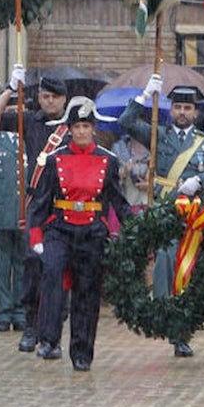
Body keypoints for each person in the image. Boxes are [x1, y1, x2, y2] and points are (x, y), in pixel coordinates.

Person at [118, 80, 204, 357]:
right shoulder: (158, 136)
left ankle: (182, 331)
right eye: (177, 107)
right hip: (166, 212)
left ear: (196, 113)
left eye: (188, 108)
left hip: (196, 217)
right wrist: (145, 94)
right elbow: (126, 121)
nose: (182, 112)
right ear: (170, 110)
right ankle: (169, 319)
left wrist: (200, 179)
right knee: (165, 264)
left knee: (187, 271)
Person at [27, 97, 131, 372]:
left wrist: (136, 230)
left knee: (88, 292)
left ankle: (83, 351)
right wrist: (36, 236)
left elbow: (118, 201)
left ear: (93, 129)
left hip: (92, 232)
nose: (82, 131)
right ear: (69, 129)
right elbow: (40, 201)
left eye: (86, 126)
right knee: (51, 278)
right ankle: (48, 338)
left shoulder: (108, 161)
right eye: (77, 126)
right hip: (60, 228)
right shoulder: (54, 159)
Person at [0, 66, 69, 353]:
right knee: (32, 269)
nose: (49, 102)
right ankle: (31, 328)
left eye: (55, 97)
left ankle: (52, 332)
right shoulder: (29, 121)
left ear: (64, 99)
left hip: (63, 209)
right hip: (36, 208)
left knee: (58, 274)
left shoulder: (73, 128)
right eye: (45, 96)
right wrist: (9, 87)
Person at [0, 127, 27, 333]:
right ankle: (3, 312)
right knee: (1, 268)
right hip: (0, 215)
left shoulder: (29, 139)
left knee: (22, 266)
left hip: (25, 214)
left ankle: (20, 311)